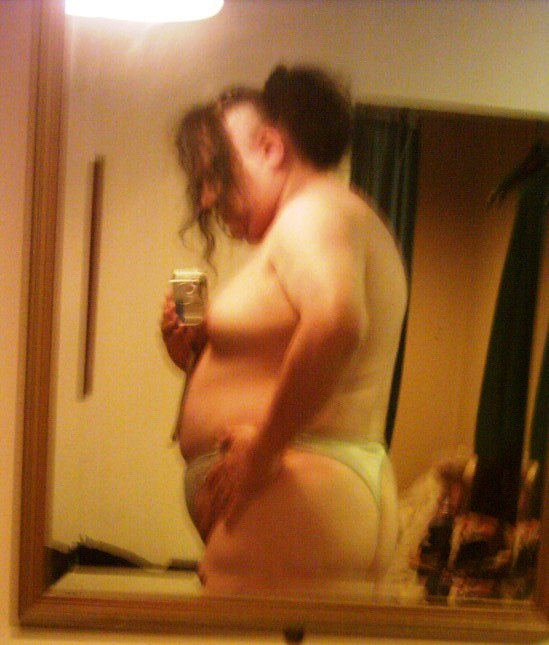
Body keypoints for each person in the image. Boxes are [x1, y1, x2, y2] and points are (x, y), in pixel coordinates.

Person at [161, 65, 408, 595]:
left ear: (271, 148)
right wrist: (197, 356)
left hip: (304, 492)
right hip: (314, 497)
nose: (206, 198)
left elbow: (338, 323)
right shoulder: (326, 217)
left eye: (214, 175)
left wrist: (265, 448)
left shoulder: (312, 213)